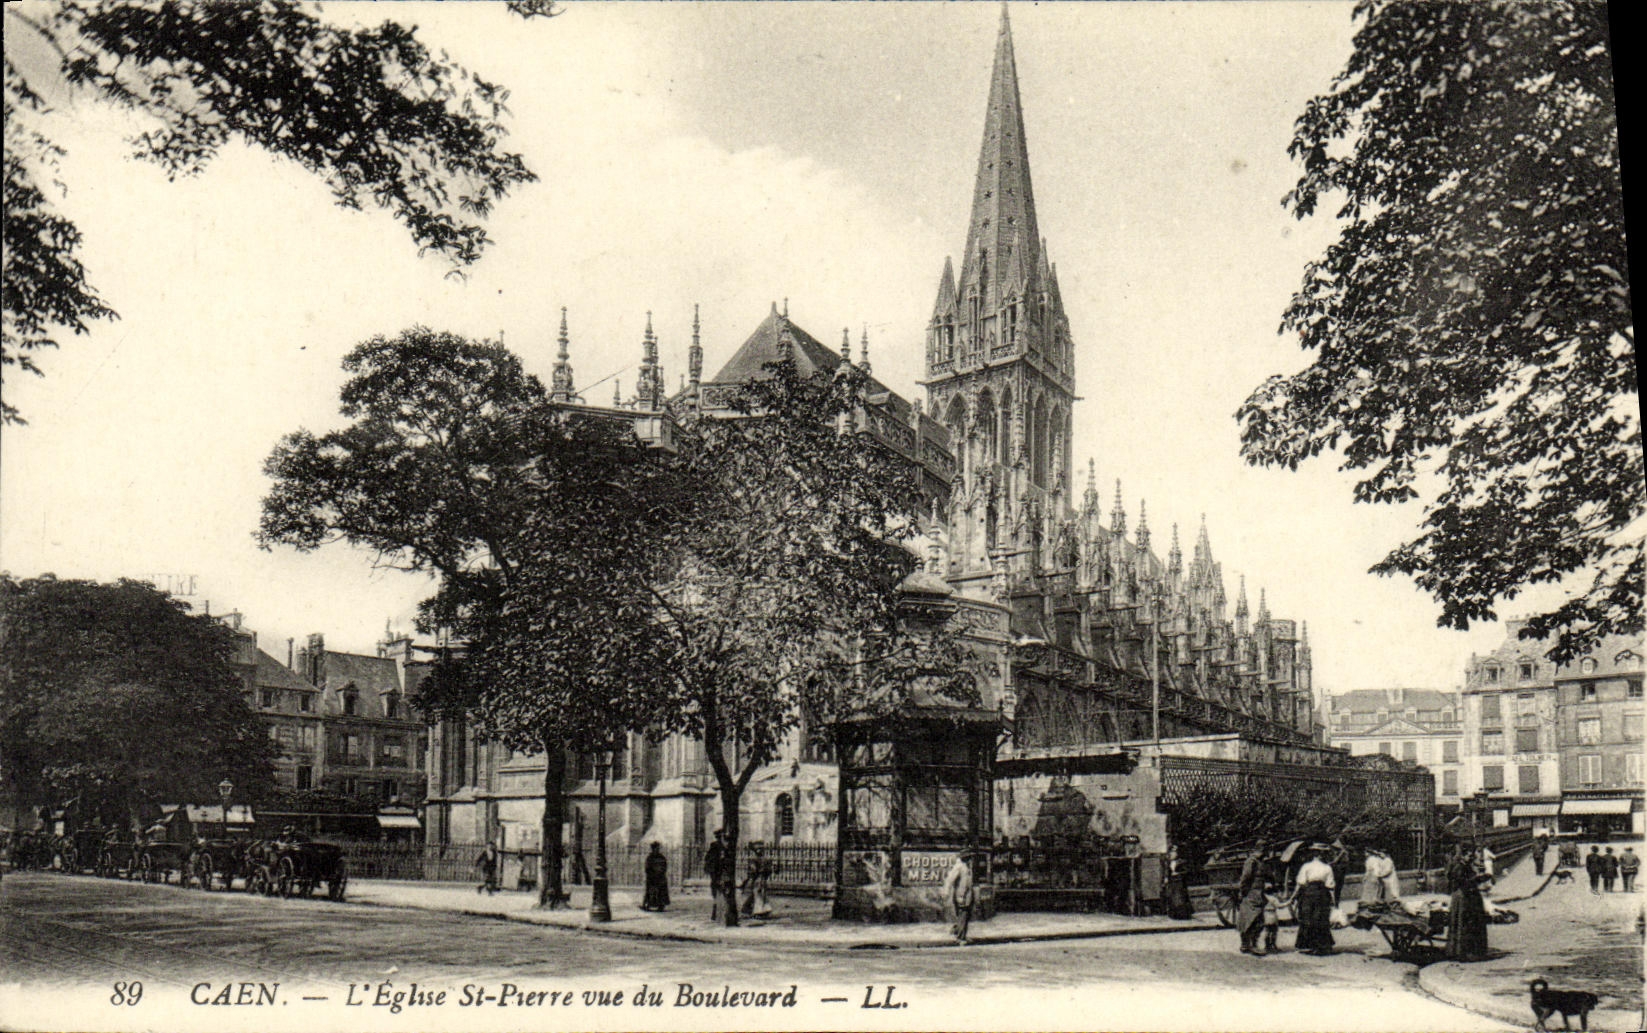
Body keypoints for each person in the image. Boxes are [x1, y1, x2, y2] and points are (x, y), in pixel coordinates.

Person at [1445, 847, 1490, 961]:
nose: (1471, 858)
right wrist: (1478, 879)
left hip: (1466, 896)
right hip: (1463, 897)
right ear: (1463, 856)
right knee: (1463, 924)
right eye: (1469, 856)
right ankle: (1462, 952)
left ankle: (1464, 951)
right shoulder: (1459, 867)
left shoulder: (1464, 865)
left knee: (1466, 924)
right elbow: (1462, 881)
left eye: (1472, 856)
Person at [1293, 844, 1337, 955]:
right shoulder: (1326, 867)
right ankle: (1320, 946)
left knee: (1309, 917)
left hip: (1310, 893)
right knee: (1320, 918)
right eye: (1320, 853)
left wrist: (1293, 896)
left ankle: (1310, 945)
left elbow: (1301, 882)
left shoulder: (1307, 866)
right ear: (1317, 854)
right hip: (1320, 894)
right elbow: (1330, 885)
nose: (1321, 855)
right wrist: (1333, 901)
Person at [1234, 846, 1268, 955]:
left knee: (1253, 918)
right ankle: (1250, 945)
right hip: (1251, 894)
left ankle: (1247, 945)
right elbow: (1246, 877)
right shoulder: (1251, 861)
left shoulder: (1259, 861)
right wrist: (1243, 891)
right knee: (1254, 919)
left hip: (1257, 893)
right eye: (1264, 850)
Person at [943, 849, 976, 944]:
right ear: (965, 858)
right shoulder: (959, 867)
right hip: (961, 895)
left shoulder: (967, 867)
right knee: (963, 915)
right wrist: (946, 891)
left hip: (968, 895)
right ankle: (960, 937)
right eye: (969, 857)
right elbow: (950, 879)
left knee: (965, 916)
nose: (971, 859)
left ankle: (959, 932)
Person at [740, 841, 773, 919]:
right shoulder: (755, 859)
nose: (759, 850)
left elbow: (754, 870)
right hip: (758, 879)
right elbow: (753, 870)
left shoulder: (763, 859)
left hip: (760, 879)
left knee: (759, 894)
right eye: (758, 849)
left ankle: (759, 911)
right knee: (757, 894)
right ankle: (753, 910)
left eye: (761, 849)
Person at [1163, 845, 1194, 920]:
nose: (1172, 854)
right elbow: (1167, 872)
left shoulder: (1181, 862)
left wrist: (1179, 873)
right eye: (1171, 852)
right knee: (1172, 898)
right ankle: (1174, 915)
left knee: (1180, 898)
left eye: (1174, 852)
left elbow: (1186, 871)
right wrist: (1166, 878)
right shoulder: (1168, 863)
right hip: (1172, 881)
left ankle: (1184, 915)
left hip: (1180, 881)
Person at [704, 829, 727, 921]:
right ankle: (717, 914)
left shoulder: (720, 846)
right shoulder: (717, 847)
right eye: (721, 836)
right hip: (717, 873)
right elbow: (710, 860)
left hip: (717, 873)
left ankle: (717, 914)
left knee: (718, 894)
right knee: (719, 893)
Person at [641, 842, 670, 912]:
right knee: (650, 891)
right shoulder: (650, 858)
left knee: (661, 892)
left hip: (660, 877)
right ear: (652, 849)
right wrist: (651, 874)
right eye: (655, 848)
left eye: (658, 848)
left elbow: (664, 866)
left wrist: (661, 873)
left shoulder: (661, 857)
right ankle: (648, 904)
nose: (656, 850)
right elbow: (647, 868)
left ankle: (661, 905)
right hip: (652, 877)